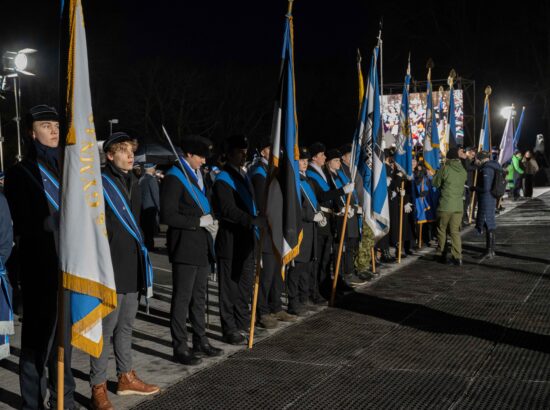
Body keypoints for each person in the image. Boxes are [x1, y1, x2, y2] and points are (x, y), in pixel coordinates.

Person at [4, 105, 78, 410]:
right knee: (37, 342)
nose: (54, 131)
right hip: (39, 268)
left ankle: (65, 400)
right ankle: (32, 402)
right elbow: (16, 223)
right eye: (46, 126)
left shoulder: (69, 168)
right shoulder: (21, 172)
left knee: (65, 343)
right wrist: (42, 226)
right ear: (32, 132)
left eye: (56, 126)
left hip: (69, 266)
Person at [91, 132, 159, 410]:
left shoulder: (136, 181)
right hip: (109, 267)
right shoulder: (99, 183)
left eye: (131, 150)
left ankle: (125, 376)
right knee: (104, 331)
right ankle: (97, 385)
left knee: (126, 326)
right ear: (110, 155)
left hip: (132, 266)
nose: (130, 155)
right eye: (123, 150)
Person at [160, 135, 223, 366]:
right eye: (200, 156)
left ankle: (201, 340)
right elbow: (167, 214)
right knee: (182, 299)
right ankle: (180, 347)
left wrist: (211, 221)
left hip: (201, 246)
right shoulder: (174, 177)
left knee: (199, 298)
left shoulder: (198, 175)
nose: (204, 161)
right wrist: (197, 222)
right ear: (188, 154)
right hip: (185, 245)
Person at [212, 135, 267, 345]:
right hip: (230, 239)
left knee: (244, 286)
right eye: (239, 152)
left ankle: (244, 322)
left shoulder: (242, 176)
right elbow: (227, 210)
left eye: (245, 151)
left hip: (246, 240)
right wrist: (251, 220)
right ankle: (229, 328)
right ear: (230, 154)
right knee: (229, 288)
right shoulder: (223, 178)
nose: (243, 155)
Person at [248, 137, 296, 329]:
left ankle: (276, 306)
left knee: (277, 273)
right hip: (266, 230)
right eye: (271, 148)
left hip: (277, 229)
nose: (277, 151)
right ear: (263, 152)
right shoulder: (260, 173)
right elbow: (262, 203)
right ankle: (262, 311)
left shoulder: (274, 172)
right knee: (266, 275)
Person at [306, 142, 354, 303]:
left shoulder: (321, 172)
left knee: (326, 258)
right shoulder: (312, 173)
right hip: (322, 220)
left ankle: (325, 287)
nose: (325, 157)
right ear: (314, 157)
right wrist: (342, 191)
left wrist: (340, 207)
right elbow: (322, 196)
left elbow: (330, 192)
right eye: (322, 155)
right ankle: (315, 290)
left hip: (330, 218)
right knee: (319, 259)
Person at [287, 147, 321, 315]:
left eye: (306, 160)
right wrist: (311, 216)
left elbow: (315, 202)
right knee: (296, 269)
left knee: (306, 268)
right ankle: (293, 303)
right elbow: (295, 208)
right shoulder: (293, 181)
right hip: (300, 230)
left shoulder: (307, 181)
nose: (305, 163)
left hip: (311, 231)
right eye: (301, 160)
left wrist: (320, 214)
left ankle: (304, 298)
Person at [324, 148, 365, 286]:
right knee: (340, 248)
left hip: (350, 214)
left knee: (350, 245)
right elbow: (333, 195)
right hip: (339, 216)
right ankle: (340, 276)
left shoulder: (341, 174)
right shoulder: (328, 175)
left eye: (338, 160)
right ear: (328, 162)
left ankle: (349, 272)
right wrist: (342, 208)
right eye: (335, 161)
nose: (338, 163)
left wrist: (354, 207)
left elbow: (349, 194)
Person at [432, 147, 467, 266]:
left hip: (445, 205)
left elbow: (435, 183)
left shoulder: (445, 168)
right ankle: (458, 257)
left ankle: (441, 254)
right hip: (458, 206)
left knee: (442, 230)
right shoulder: (462, 170)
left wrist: (437, 173)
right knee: (455, 232)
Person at [472, 151, 501, 258]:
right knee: (489, 223)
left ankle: (489, 251)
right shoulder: (493, 166)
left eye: (476, 159)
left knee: (488, 223)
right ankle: (491, 251)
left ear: (481, 159)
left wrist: (474, 188)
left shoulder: (487, 169)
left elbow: (485, 188)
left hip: (486, 199)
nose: (475, 161)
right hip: (491, 198)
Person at [139, 163, 160, 251]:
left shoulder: (141, 179)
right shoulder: (152, 179)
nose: (155, 170)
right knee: (150, 228)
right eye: (154, 168)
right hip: (151, 207)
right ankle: (150, 246)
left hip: (143, 207)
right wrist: (159, 208)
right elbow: (155, 195)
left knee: (145, 228)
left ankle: (145, 245)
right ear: (152, 169)